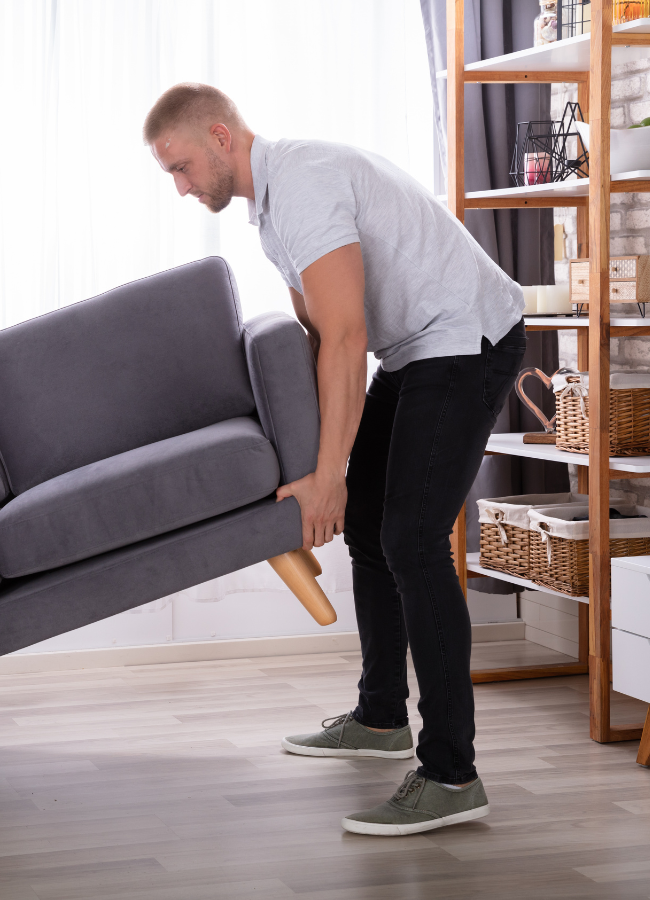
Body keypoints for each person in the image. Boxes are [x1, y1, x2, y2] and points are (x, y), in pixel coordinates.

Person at [143, 83, 526, 836]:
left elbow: (347, 340)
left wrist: (329, 475)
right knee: (368, 531)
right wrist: (315, 469)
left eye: (181, 168)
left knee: (413, 541)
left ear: (221, 136)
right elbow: (319, 343)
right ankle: (381, 717)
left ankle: (453, 772)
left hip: (465, 339)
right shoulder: (269, 214)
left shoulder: (305, 186)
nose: (182, 188)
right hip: (414, 347)